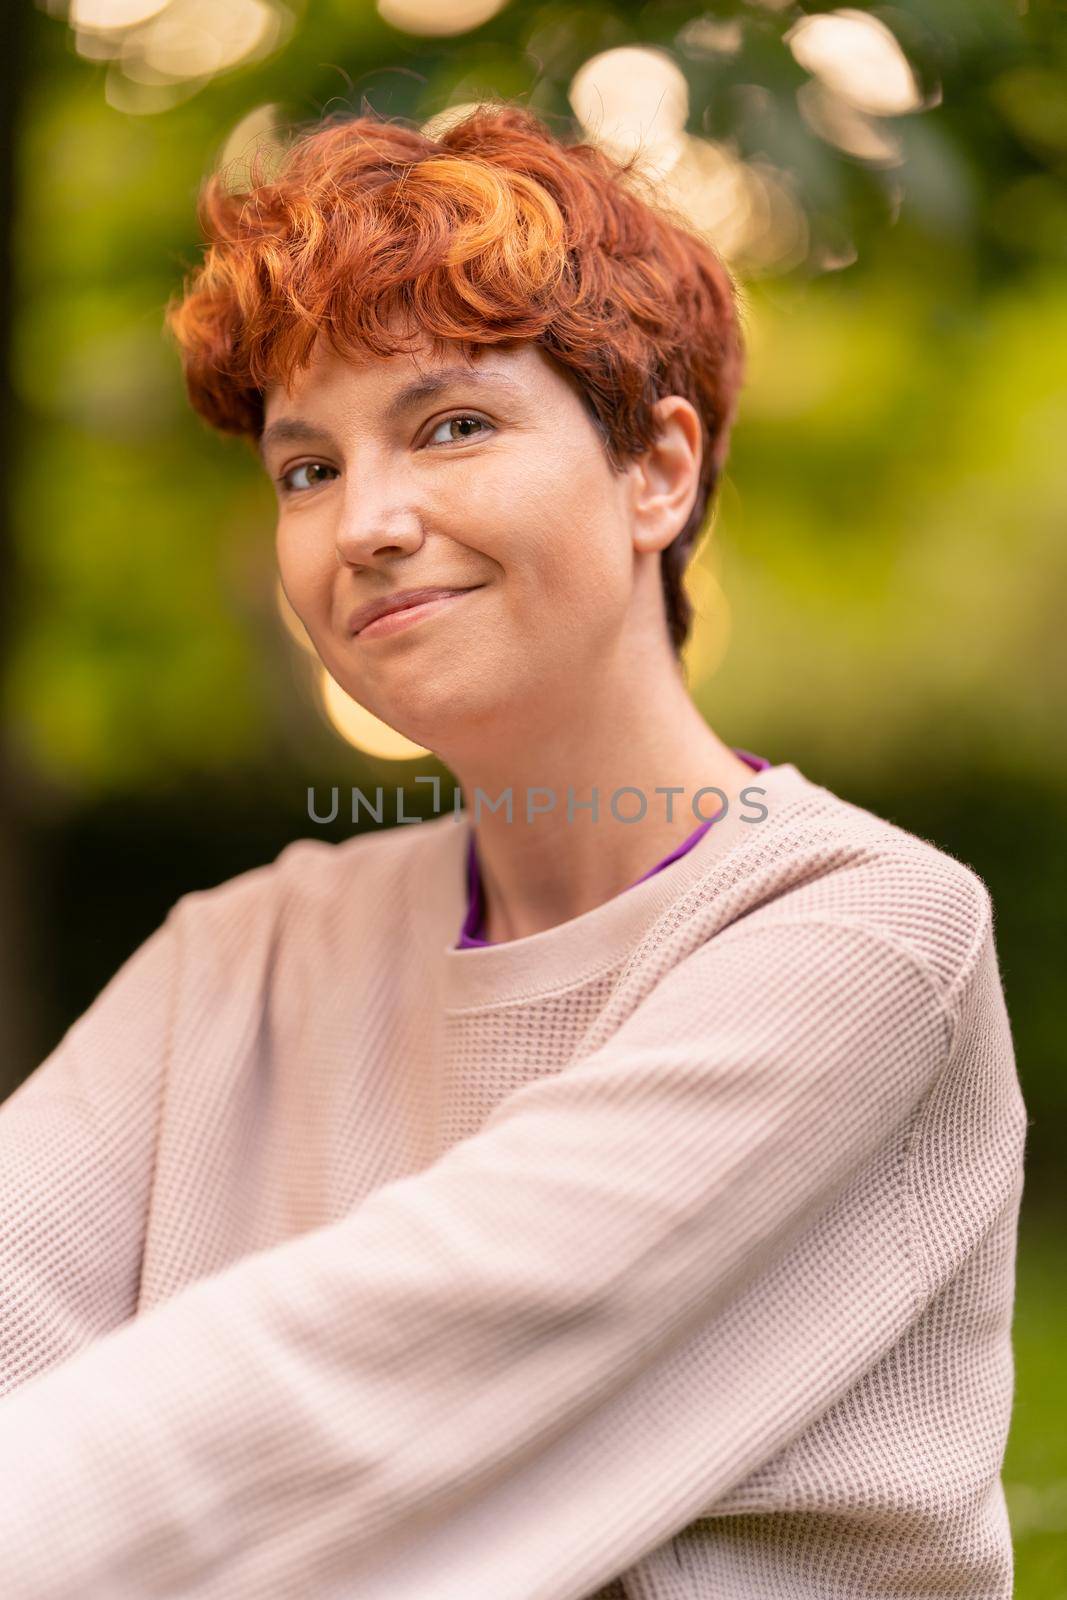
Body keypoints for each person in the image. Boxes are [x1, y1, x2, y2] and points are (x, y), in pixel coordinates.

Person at [0, 102, 1026, 1599]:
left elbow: (340, 1397)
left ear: (655, 475)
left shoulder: (860, 940)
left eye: (451, 425)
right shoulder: (240, 950)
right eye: (306, 469)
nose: (367, 523)